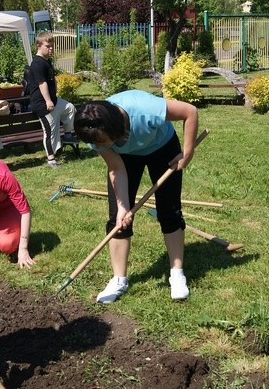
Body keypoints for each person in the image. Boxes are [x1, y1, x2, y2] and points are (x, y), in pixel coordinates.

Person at [74, 90, 198, 303]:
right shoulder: (92, 131)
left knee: (169, 211)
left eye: (104, 143)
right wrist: (123, 207)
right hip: (125, 158)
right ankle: (119, 279)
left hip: (162, 147)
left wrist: (187, 154)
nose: (100, 147)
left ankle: (176, 274)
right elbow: (116, 168)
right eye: (98, 145)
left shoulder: (145, 110)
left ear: (115, 128)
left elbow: (190, 111)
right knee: (117, 219)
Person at [27, 31, 77, 168]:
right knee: (50, 131)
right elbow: (41, 84)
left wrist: (55, 93)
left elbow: (51, 80)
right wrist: (48, 101)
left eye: (52, 46)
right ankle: (51, 160)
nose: (51, 49)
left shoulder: (46, 61)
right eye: (47, 46)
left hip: (53, 100)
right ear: (38, 45)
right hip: (42, 103)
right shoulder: (37, 64)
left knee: (70, 108)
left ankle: (67, 136)